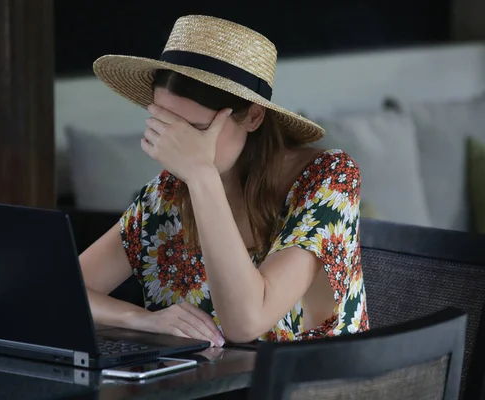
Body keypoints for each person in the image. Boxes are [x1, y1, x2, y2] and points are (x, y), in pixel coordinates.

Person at [79, 15, 369, 346]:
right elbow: (58, 291)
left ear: (254, 117)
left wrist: (202, 176)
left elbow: (247, 323)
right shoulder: (170, 193)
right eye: (165, 125)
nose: (177, 147)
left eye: (197, 130)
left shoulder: (329, 177)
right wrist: (141, 319)